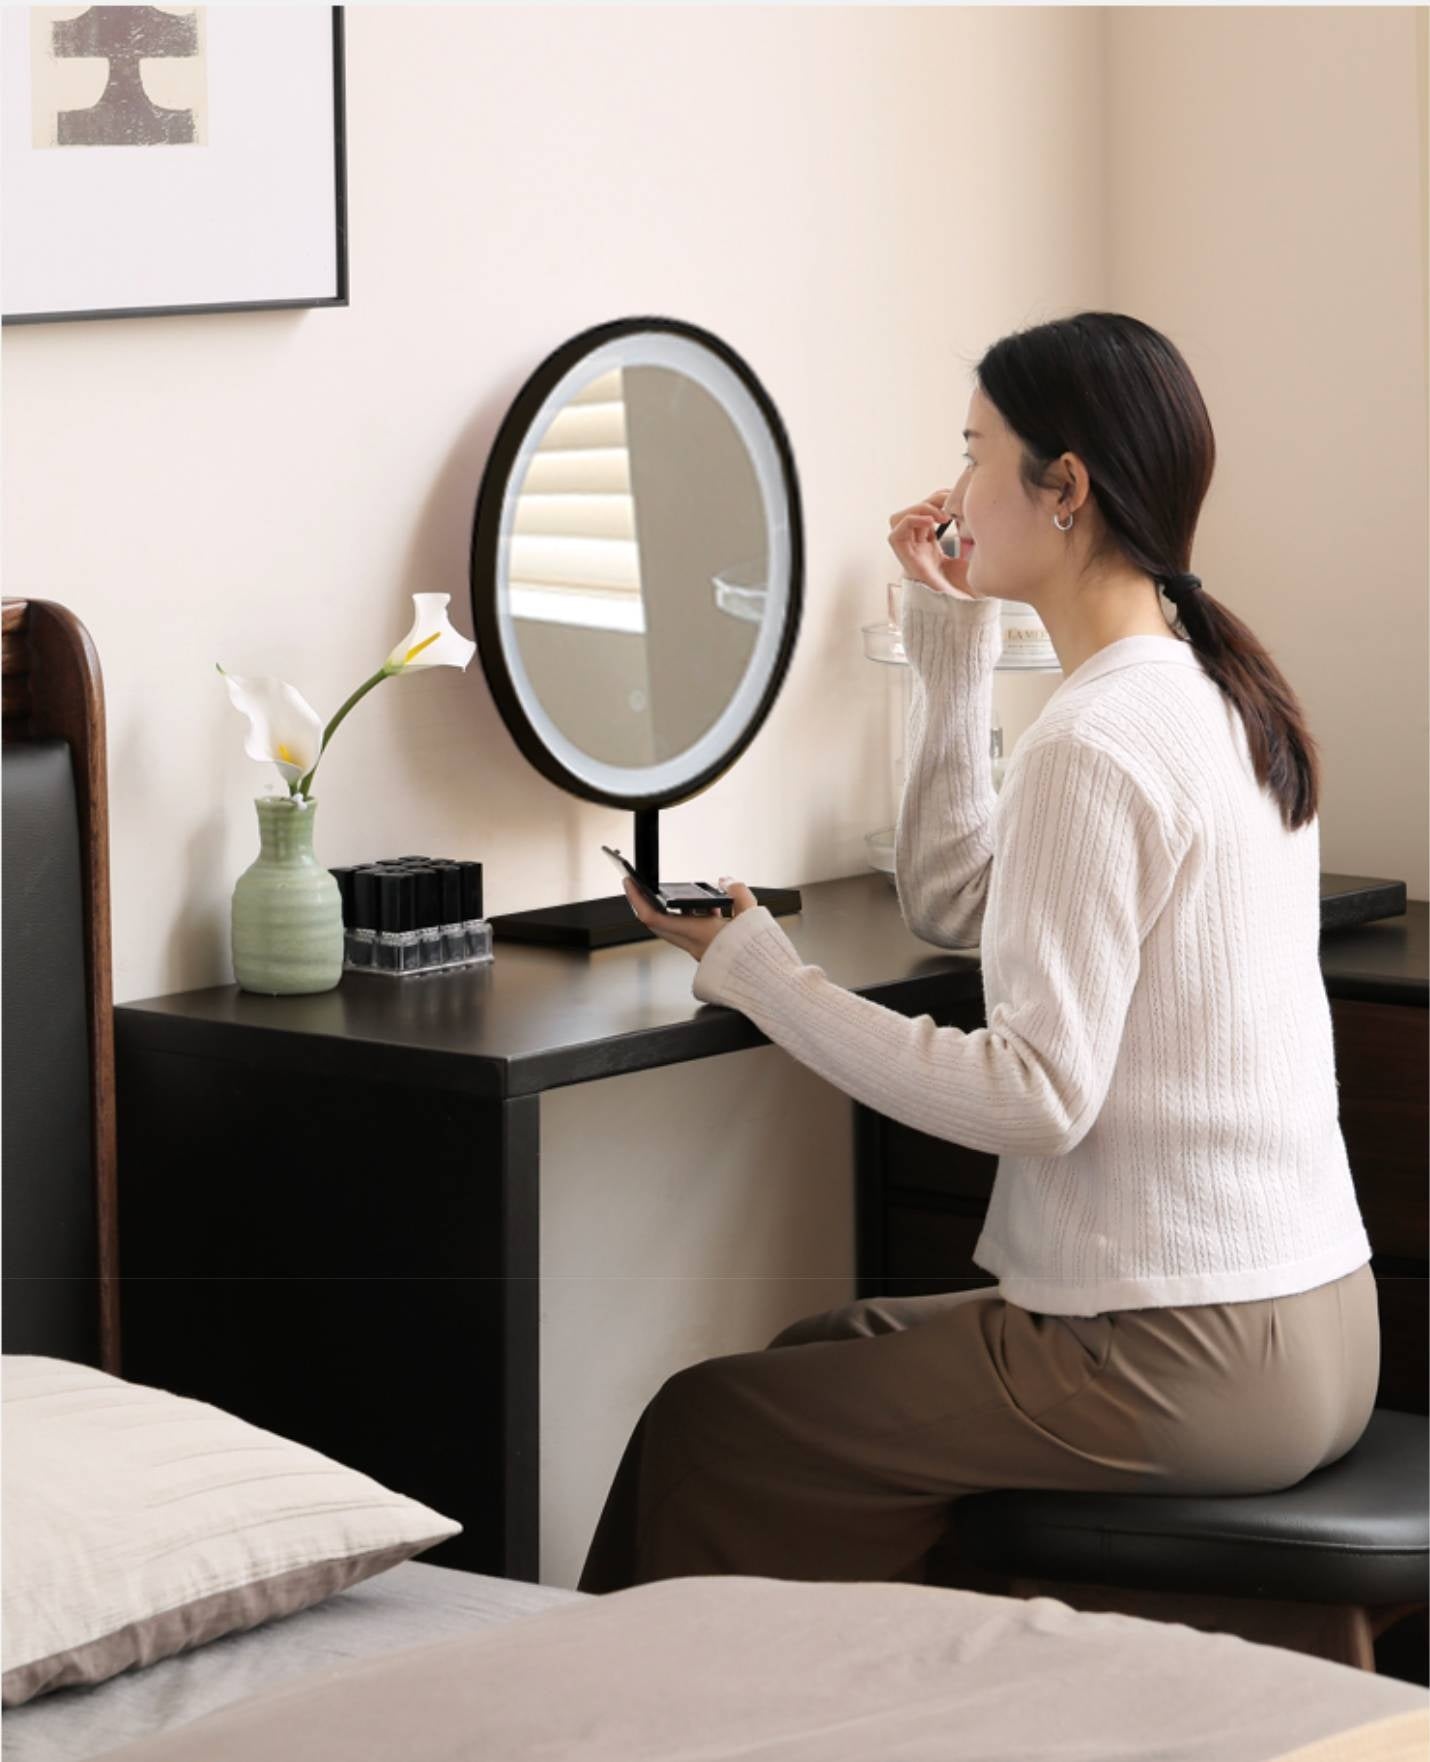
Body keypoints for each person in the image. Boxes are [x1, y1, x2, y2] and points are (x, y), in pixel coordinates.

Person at [577, 310, 1377, 1595]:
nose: (951, 491)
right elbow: (958, 899)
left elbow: (1034, 1096)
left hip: (1185, 1352)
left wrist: (765, 974)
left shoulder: (1092, 740)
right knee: (816, 1347)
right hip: (1319, 1325)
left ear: (1063, 489)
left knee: (708, 1425)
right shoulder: (1211, 691)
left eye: (973, 453)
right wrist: (945, 636)